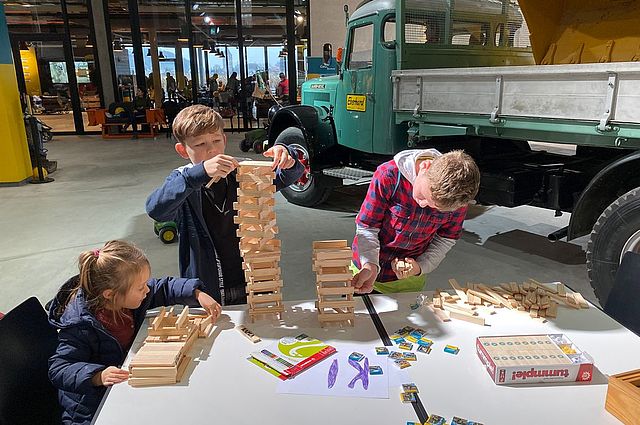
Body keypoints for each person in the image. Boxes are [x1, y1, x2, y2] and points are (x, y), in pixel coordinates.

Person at [48, 240, 220, 425]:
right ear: (110, 294)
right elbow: (59, 368)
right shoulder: (79, 324)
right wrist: (98, 376)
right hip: (90, 409)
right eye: (140, 287)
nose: (147, 290)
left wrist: (196, 294)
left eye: (145, 284)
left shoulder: (126, 298)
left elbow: (163, 287)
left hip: (127, 387)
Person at [145, 105, 304, 305]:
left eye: (216, 141)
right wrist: (199, 174)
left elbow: (286, 177)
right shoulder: (183, 180)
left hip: (249, 278)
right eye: (200, 144)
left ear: (225, 140)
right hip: (206, 286)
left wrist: (287, 158)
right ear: (183, 150)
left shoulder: (241, 172)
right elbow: (156, 209)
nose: (211, 150)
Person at [351, 149, 480, 294]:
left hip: (407, 283)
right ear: (425, 166)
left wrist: (420, 267)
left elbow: (446, 239)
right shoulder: (389, 176)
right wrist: (369, 264)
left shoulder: (457, 200)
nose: (423, 204)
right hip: (364, 271)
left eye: (435, 207)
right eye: (423, 195)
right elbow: (367, 227)